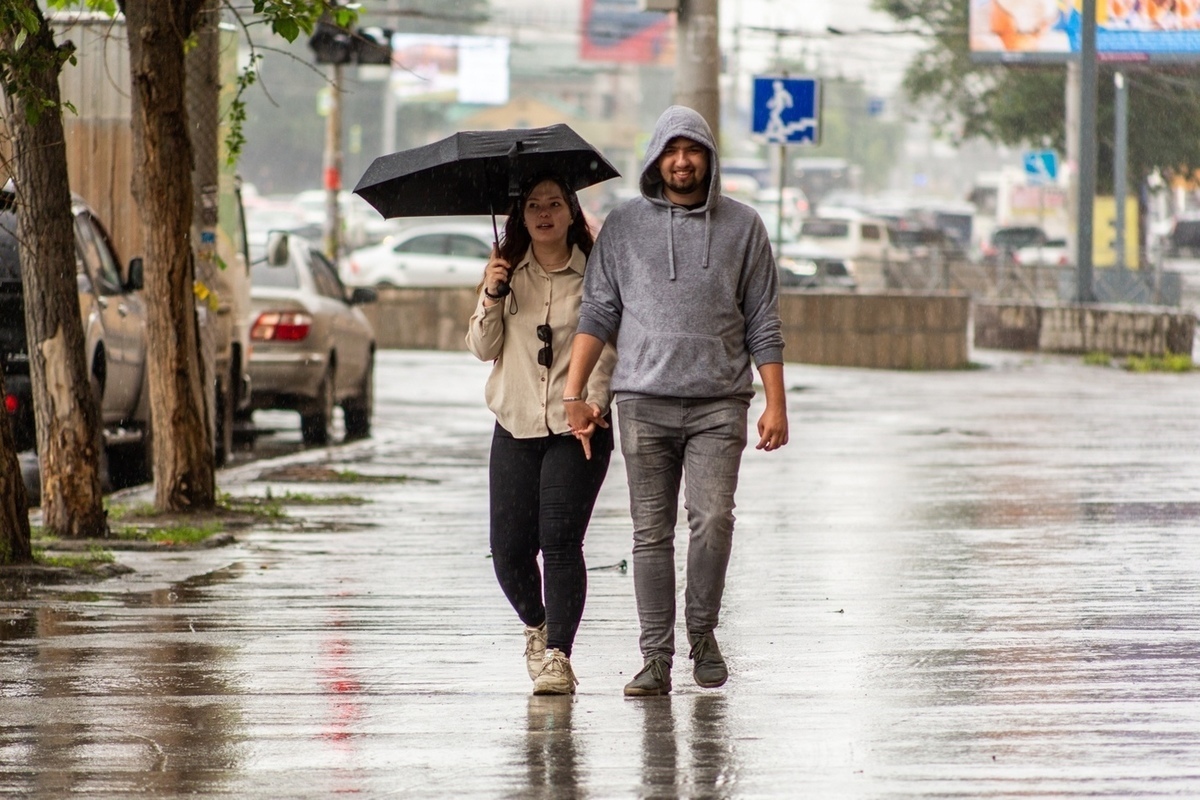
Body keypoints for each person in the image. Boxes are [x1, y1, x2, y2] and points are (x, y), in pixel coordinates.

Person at [562, 106, 789, 697]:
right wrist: (574, 392)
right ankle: (655, 657)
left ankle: (703, 634)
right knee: (650, 531)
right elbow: (598, 312)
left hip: (720, 402)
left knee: (713, 519)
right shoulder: (624, 225)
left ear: (709, 158)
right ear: (656, 158)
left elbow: (764, 319)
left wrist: (775, 402)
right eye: (671, 150)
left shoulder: (744, 227)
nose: (682, 161)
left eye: (693, 150)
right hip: (642, 400)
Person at [466, 174, 617, 696]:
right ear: (521, 215)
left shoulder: (597, 275)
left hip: (578, 428)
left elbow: (608, 347)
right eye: (534, 205)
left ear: (572, 211)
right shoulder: (507, 275)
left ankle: (559, 657)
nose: (544, 213)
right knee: (508, 549)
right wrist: (491, 291)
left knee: (558, 542)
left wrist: (594, 402)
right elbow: (482, 348)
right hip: (515, 424)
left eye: (555, 203)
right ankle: (538, 626)